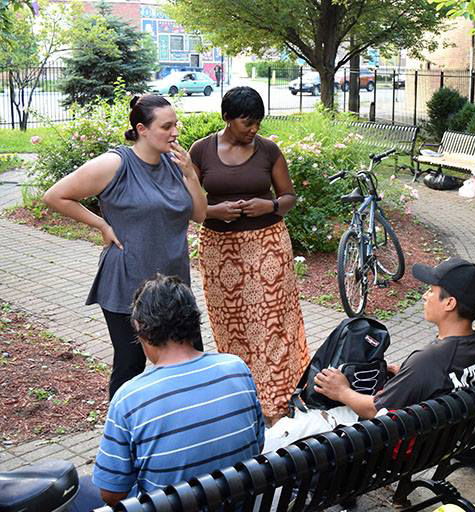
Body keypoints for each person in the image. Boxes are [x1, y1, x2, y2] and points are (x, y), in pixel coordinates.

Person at [43, 95, 207, 399]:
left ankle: (184, 427)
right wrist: (102, 225)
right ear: (142, 129)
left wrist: (190, 174)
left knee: (190, 356)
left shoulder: (176, 163)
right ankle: (122, 436)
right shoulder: (115, 163)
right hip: (128, 282)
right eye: (166, 126)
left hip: (174, 284)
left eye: (176, 124)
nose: (175, 132)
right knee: (130, 365)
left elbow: (199, 214)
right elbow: (55, 196)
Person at [69, 275, 265, 511]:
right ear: (194, 320)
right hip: (237, 503)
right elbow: (257, 443)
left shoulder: (130, 398)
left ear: (140, 328)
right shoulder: (236, 369)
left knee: (78, 491)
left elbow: (112, 493)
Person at [265, 258, 475, 452]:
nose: (425, 296)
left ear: (450, 303)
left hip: (398, 448)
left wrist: (342, 391)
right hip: (443, 443)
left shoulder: (430, 360)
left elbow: (374, 410)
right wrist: (405, 375)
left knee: (300, 423)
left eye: (431, 291)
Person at [189, 86, 309, 424]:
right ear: (227, 118)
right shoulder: (201, 151)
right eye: (247, 123)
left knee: (271, 324)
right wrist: (214, 211)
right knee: (231, 324)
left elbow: (288, 197)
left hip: (267, 247)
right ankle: (242, 396)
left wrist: (268, 205)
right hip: (218, 250)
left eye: (257, 122)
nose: (253, 129)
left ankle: (280, 399)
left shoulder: (269, 150)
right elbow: (188, 203)